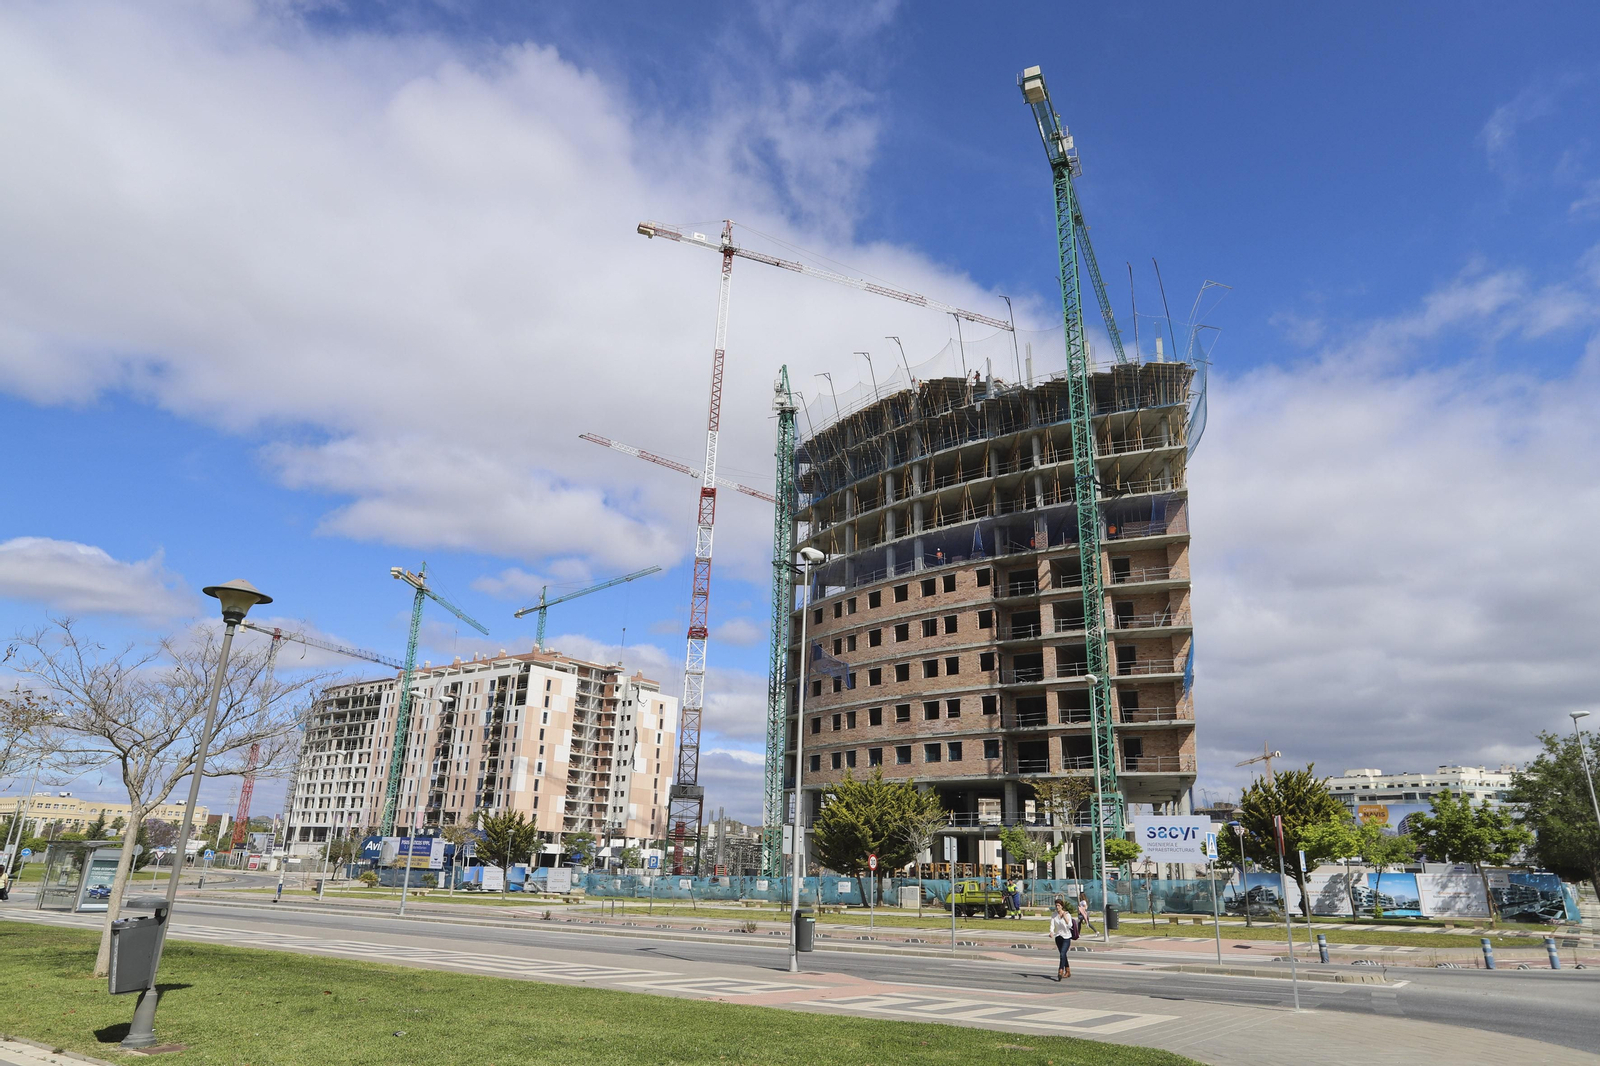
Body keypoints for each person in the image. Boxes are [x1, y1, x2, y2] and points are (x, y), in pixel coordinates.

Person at [1049, 898, 1075, 979]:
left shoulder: (1067, 914)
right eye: (1056, 905)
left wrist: (1065, 917)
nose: (1057, 907)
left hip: (1066, 937)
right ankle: (1068, 971)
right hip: (1058, 937)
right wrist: (1051, 932)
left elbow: (1070, 925)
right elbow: (1052, 925)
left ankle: (1060, 970)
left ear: (1062, 906)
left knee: (1062, 954)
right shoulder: (1054, 915)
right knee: (1063, 955)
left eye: (1059, 905)